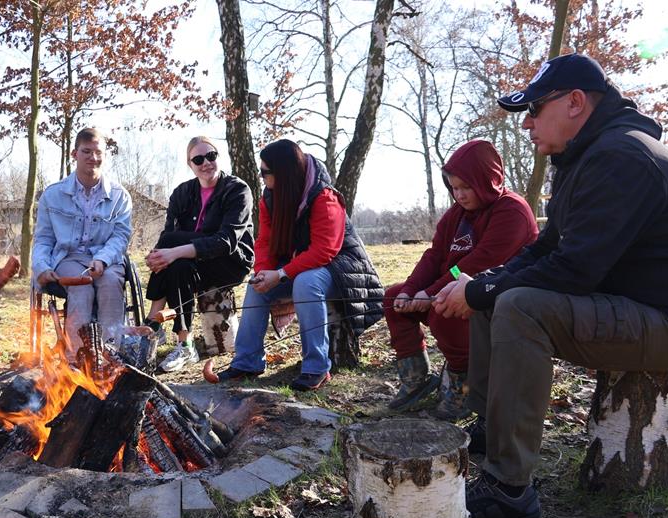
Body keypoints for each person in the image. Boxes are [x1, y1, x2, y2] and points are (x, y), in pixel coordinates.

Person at [434, 53, 668, 518]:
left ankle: (508, 488)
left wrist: (487, 292)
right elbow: (545, 248)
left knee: (519, 307)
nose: (527, 123)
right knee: (499, 296)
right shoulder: (586, 158)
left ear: (574, 102)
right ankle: (490, 428)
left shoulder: (621, 156)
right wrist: (483, 283)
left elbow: (575, 269)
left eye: (535, 109)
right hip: (637, 305)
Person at [384, 140, 538, 420]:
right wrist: (409, 290)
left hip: (496, 295)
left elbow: (475, 263)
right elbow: (435, 255)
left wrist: (430, 293)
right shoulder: (456, 214)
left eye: (467, 187)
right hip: (453, 285)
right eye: (454, 188)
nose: (460, 195)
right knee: (394, 298)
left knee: (445, 311)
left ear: (487, 180)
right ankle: (416, 379)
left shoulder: (511, 211)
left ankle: (463, 387)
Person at [215, 139, 384, 391]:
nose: (261, 178)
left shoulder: (324, 197)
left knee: (306, 283)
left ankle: (316, 367)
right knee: (256, 286)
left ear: (283, 173)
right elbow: (265, 241)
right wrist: (263, 272)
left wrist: (282, 274)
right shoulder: (270, 197)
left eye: (265, 172)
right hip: (302, 265)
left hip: (343, 270)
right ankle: (247, 362)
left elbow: (325, 250)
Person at [144, 136, 254, 372]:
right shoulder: (182, 192)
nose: (206, 163)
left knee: (173, 247)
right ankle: (185, 345)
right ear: (190, 164)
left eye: (211, 156)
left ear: (218, 157)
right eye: (198, 159)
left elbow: (226, 242)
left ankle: (152, 323)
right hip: (192, 263)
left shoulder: (237, 190)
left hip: (229, 261)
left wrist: (173, 252)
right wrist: (165, 256)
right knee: (178, 265)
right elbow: (167, 235)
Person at [32, 127, 132, 360]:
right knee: (81, 286)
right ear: (74, 154)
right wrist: (42, 268)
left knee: (109, 284)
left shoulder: (120, 196)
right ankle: (77, 357)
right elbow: (44, 239)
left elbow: (120, 236)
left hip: (106, 258)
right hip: (68, 258)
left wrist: (103, 259)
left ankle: (110, 354)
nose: (93, 158)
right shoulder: (52, 195)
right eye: (86, 151)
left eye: (98, 152)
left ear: (105, 156)